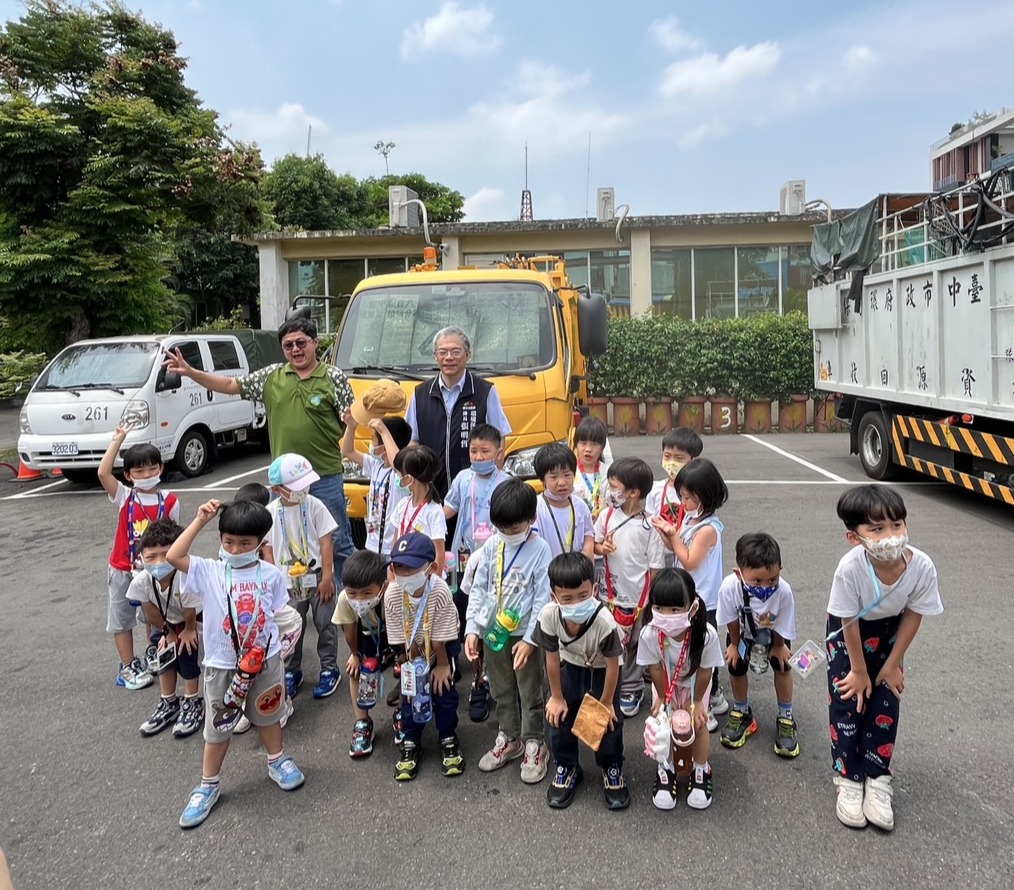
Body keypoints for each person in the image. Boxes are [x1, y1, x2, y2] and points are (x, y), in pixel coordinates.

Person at [163, 317, 355, 583]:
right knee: (283, 541)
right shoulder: (271, 376)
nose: (295, 350)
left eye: (301, 343)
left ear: (315, 343)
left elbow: (350, 421)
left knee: (337, 541)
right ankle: (288, 599)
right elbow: (231, 386)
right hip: (284, 482)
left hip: (325, 476)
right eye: (288, 345)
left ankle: (346, 606)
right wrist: (190, 371)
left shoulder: (334, 378)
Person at [167, 499, 304, 830]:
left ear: (259, 542)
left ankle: (277, 760)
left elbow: (277, 613)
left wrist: (283, 645)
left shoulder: (270, 574)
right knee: (219, 725)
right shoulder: (210, 570)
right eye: (228, 541)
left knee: (268, 713)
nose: (236, 548)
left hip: (265, 660)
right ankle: (208, 784)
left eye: (245, 542)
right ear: (220, 538)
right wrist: (201, 519)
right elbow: (174, 556)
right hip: (221, 663)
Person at [826, 485, 942, 832]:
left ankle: (877, 777)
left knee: (886, 702)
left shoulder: (921, 566)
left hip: (892, 632)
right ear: (854, 537)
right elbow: (846, 620)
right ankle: (848, 777)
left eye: (897, 525)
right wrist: (859, 670)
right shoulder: (850, 569)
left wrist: (893, 663)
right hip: (850, 632)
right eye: (877, 529)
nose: (890, 536)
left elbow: (915, 614)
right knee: (849, 699)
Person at [463, 478, 552, 784]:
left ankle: (535, 741)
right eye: (502, 527)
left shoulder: (540, 549)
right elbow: (479, 589)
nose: (508, 534)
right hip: (494, 631)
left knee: (531, 689)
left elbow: (543, 598)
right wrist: (472, 629)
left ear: (531, 519)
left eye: (514, 528)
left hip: (525, 634)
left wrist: (530, 641)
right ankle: (510, 736)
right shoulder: (492, 545)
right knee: (500, 686)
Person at [533, 552, 628, 810]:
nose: (576, 603)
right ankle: (567, 766)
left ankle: (611, 766)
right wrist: (556, 696)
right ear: (554, 597)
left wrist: (606, 702)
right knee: (559, 717)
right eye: (567, 598)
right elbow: (551, 659)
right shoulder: (548, 616)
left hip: (602, 671)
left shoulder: (604, 622)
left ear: (595, 589)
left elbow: (612, 667)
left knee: (607, 721)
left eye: (583, 595)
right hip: (569, 666)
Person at [98, 424, 180, 690]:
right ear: (129, 475)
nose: (147, 474)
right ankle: (127, 665)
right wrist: (117, 441)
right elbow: (102, 472)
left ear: (161, 469)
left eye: (152, 469)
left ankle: (153, 650)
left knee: (152, 613)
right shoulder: (124, 496)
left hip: (154, 569)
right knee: (122, 618)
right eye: (139, 470)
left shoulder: (169, 501)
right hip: (123, 568)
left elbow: (175, 539)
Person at [651, 457, 729, 729]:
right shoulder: (693, 519)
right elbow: (678, 548)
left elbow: (690, 561)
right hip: (688, 598)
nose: (683, 502)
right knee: (686, 650)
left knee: (703, 652)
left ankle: (709, 700)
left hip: (702, 601)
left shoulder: (708, 528)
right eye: (681, 496)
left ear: (704, 497)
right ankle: (695, 697)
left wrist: (672, 536)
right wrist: (667, 532)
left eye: (687, 497)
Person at [638, 568, 722, 812]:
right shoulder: (649, 634)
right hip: (665, 683)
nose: (667, 616)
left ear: (692, 608)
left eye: (675, 610)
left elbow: (706, 670)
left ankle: (700, 769)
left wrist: (697, 704)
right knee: (662, 722)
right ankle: (666, 768)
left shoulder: (706, 635)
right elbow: (654, 667)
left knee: (697, 724)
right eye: (660, 608)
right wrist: (663, 697)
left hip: (696, 684)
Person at [443, 423, 510, 721]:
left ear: (499, 452)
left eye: (485, 451)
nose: (479, 455)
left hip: (495, 563)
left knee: (491, 621)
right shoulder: (462, 478)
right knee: (464, 619)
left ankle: (491, 681)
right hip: (462, 561)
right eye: (474, 450)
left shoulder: (507, 482)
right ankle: (472, 675)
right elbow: (448, 510)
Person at [385, 533, 463, 781]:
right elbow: (399, 638)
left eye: (411, 567)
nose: (405, 574)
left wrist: (441, 665)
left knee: (444, 692)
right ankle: (410, 740)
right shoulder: (393, 594)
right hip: (411, 652)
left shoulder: (439, 590)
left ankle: (448, 737)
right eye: (399, 567)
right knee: (410, 696)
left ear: (431, 568)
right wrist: (412, 665)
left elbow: (441, 638)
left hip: (441, 648)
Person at [593, 457, 666, 718]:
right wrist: (603, 548)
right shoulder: (607, 515)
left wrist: (650, 601)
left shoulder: (649, 526)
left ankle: (632, 686)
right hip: (608, 595)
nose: (610, 492)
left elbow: (655, 567)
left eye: (614, 487)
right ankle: (610, 682)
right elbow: (595, 545)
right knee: (610, 641)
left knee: (635, 643)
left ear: (633, 492)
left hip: (637, 600)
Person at [264, 453, 340, 701]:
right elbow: (267, 549)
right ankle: (291, 670)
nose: (303, 490)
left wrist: (328, 576)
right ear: (277, 489)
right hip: (286, 582)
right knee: (290, 628)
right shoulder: (270, 513)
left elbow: (326, 541)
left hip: (317, 576)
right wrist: (272, 583)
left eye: (305, 484)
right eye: (295, 487)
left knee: (325, 624)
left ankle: (329, 668)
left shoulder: (314, 505)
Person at [716, 533, 799, 758]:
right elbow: (731, 620)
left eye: (772, 579)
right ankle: (742, 710)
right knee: (736, 665)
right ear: (739, 573)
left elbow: (783, 621)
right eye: (757, 581)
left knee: (782, 665)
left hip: (774, 632)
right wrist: (734, 644)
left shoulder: (784, 592)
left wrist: (779, 646)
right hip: (743, 632)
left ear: (780, 569)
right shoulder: (730, 587)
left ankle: (785, 715)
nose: (766, 586)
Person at [404, 326, 512, 499]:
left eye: (455, 351)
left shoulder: (485, 391)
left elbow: (500, 438)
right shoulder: (420, 394)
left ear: (467, 355)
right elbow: (412, 442)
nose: (448, 357)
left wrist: (492, 485)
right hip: (431, 493)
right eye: (443, 352)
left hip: (475, 494)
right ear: (435, 356)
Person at [128, 519, 203, 738]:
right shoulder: (141, 581)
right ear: (142, 557)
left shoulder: (186, 577)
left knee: (187, 647)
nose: (159, 562)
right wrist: (167, 632)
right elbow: (150, 611)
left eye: (166, 554)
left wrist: (187, 631)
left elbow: (190, 611)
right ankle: (169, 701)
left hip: (196, 619)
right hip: (167, 621)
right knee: (162, 649)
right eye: (151, 557)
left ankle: (192, 701)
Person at [332, 549, 389, 759]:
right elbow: (349, 633)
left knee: (405, 668)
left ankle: (404, 710)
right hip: (363, 633)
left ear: (382, 586)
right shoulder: (345, 600)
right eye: (352, 592)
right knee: (356, 671)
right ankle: (362, 722)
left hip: (391, 631)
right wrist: (355, 655)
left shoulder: (391, 595)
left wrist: (401, 655)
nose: (359, 599)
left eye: (367, 593)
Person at [341, 412, 412, 558]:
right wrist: (351, 426)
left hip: (392, 545)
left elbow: (397, 463)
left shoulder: (399, 472)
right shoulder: (375, 465)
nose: (371, 444)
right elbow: (347, 451)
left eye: (374, 439)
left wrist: (383, 430)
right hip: (373, 544)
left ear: (386, 445)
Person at [387, 445, 447, 574]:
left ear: (409, 478)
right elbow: (394, 542)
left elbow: (439, 554)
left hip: (423, 578)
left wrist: (433, 583)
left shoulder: (434, 511)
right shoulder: (403, 504)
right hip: (402, 574)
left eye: (398, 474)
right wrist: (392, 575)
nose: (397, 478)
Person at [532, 443, 596, 562]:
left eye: (567, 475)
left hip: (578, 575)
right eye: (554, 477)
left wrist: (587, 565)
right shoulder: (535, 508)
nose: (562, 482)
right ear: (542, 479)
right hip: (548, 573)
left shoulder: (581, 506)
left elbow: (589, 536)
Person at [645, 426, 704, 524]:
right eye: (667, 456)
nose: (672, 462)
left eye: (679, 458)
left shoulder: (700, 492)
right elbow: (649, 522)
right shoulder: (655, 490)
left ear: (694, 460)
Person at [572, 417, 611, 521]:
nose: (588, 449)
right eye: (583, 443)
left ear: (602, 447)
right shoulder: (569, 472)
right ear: (576, 444)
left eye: (594, 444)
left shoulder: (609, 473)